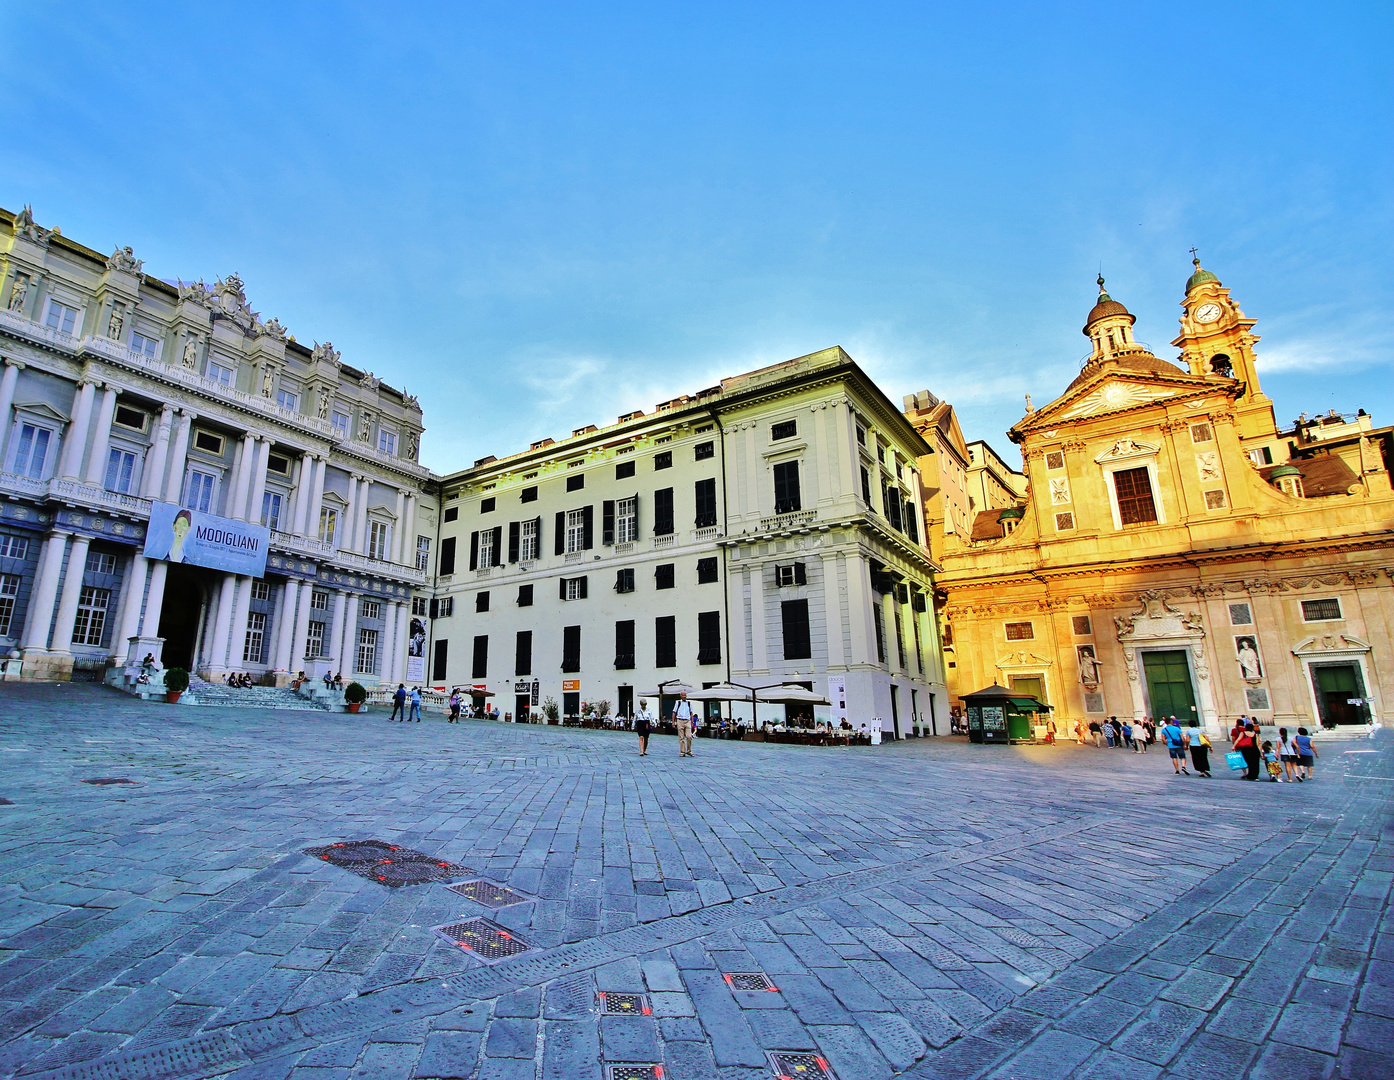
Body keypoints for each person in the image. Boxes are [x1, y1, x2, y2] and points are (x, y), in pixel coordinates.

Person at [673, 692, 697, 758]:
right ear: (681, 696)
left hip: (687, 720)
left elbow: (691, 712)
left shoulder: (689, 703)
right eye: (683, 695)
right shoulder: (678, 703)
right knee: (681, 737)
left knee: (689, 736)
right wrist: (673, 722)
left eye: (685, 695)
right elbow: (674, 712)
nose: (684, 696)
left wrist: (692, 722)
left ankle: (689, 750)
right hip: (680, 720)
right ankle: (682, 751)